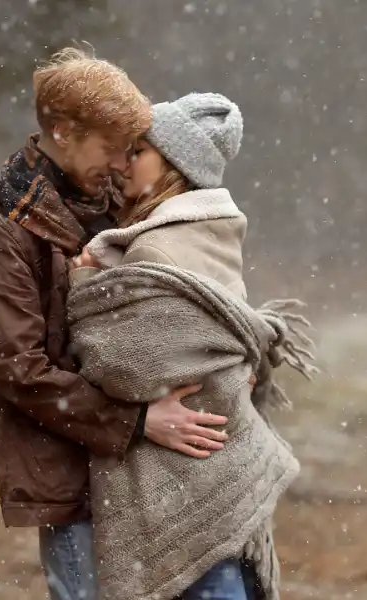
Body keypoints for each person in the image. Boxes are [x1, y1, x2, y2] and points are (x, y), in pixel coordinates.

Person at [0, 49, 231, 600]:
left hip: (147, 474)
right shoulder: (6, 239)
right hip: (70, 475)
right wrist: (136, 421)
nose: (120, 162)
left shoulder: (117, 198)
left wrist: (234, 354)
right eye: (111, 147)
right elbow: (19, 371)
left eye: (130, 150)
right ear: (62, 132)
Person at [67, 93, 316, 600]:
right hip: (214, 468)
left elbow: (125, 367)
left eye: (139, 152)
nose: (123, 164)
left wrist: (86, 291)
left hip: (181, 471)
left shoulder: (157, 245)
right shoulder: (213, 231)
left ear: (173, 166)